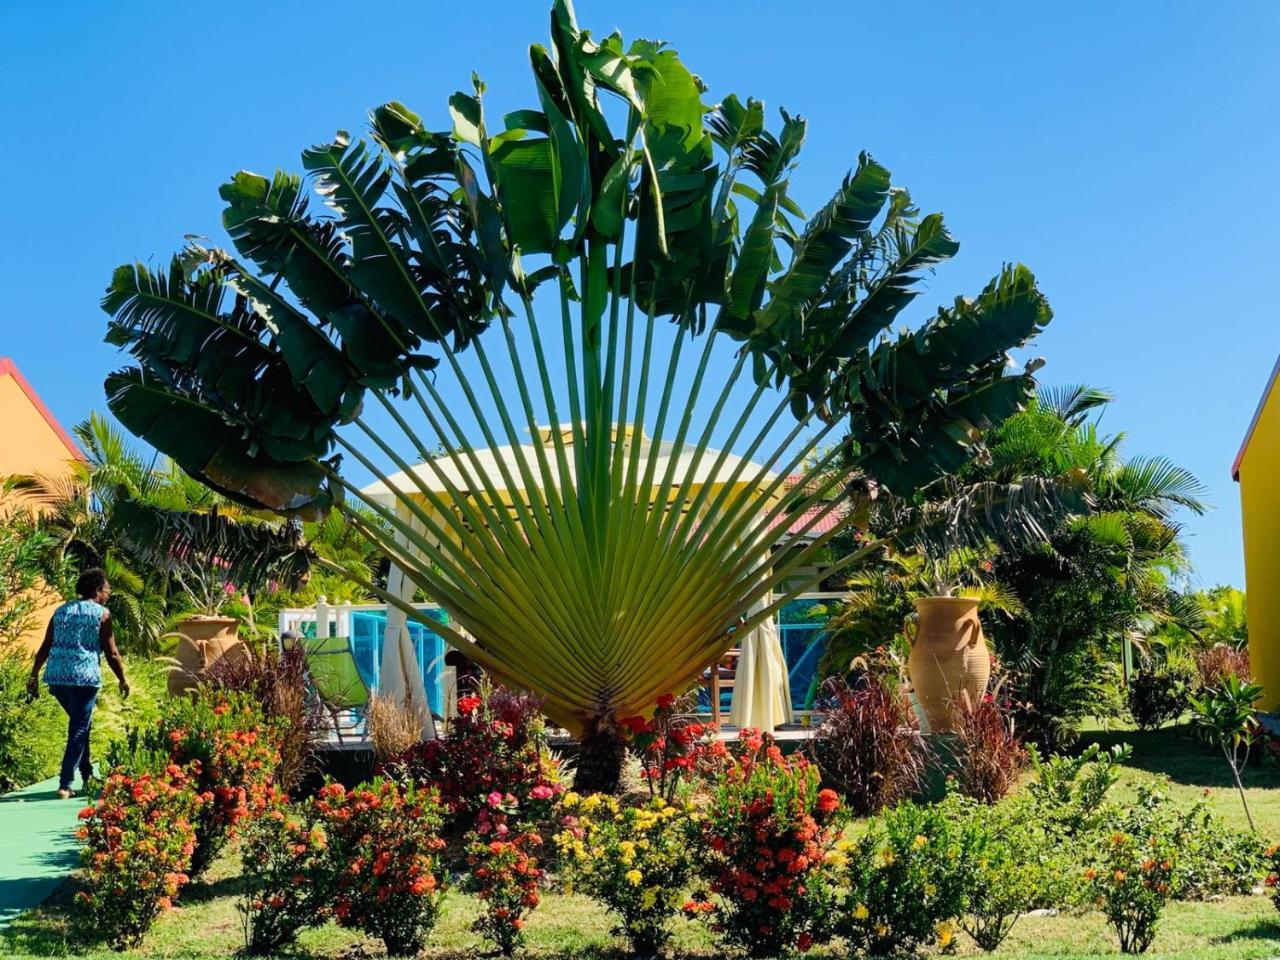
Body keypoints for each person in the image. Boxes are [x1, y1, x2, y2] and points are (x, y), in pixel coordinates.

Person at [26, 568, 129, 799]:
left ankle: (87, 774)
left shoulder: (60, 611)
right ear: (97, 590)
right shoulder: (102, 614)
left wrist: (33, 675)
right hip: (84, 679)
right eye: (106, 589)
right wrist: (123, 679)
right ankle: (65, 783)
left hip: (57, 679)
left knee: (82, 725)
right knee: (79, 728)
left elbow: (44, 647)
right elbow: (112, 653)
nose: (108, 593)